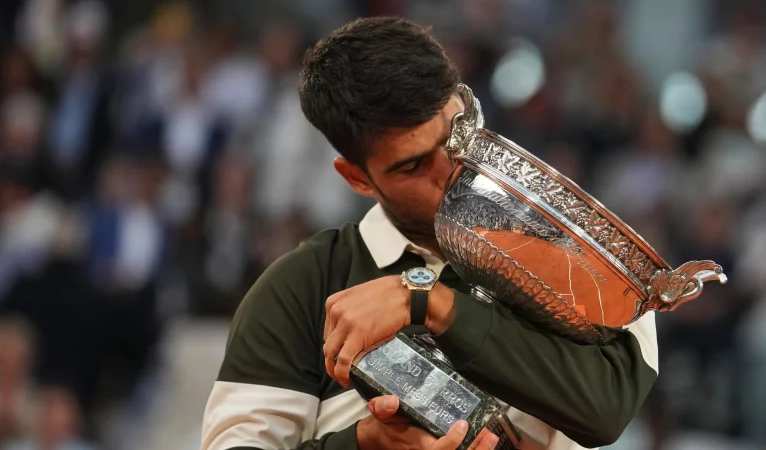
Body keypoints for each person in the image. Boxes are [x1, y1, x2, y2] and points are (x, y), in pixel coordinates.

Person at [201, 16, 658, 450]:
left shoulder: (589, 247)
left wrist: (426, 302)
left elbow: (606, 408)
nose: (450, 171)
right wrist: (361, 443)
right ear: (357, 178)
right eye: (413, 166)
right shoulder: (303, 285)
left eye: (456, 134)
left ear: (467, 102)